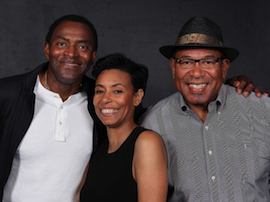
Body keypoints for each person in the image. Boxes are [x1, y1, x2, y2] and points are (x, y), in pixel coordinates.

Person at [139, 17, 270, 201]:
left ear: (224, 67)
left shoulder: (263, 111)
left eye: (208, 62)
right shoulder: (152, 123)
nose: (197, 73)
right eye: (186, 62)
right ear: (173, 67)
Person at [0, 14, 105, 202]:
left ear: (93, 56)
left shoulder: (102, 103)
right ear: (47, 49)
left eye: (82, 47)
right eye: (62, 44)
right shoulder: (7, 94)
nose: (71, 53)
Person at [80, 53, 168, 202]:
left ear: (137, 97)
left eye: (117, 91)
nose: (105, 99)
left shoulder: (146, 143)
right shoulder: (98, 149)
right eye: (100, 91)